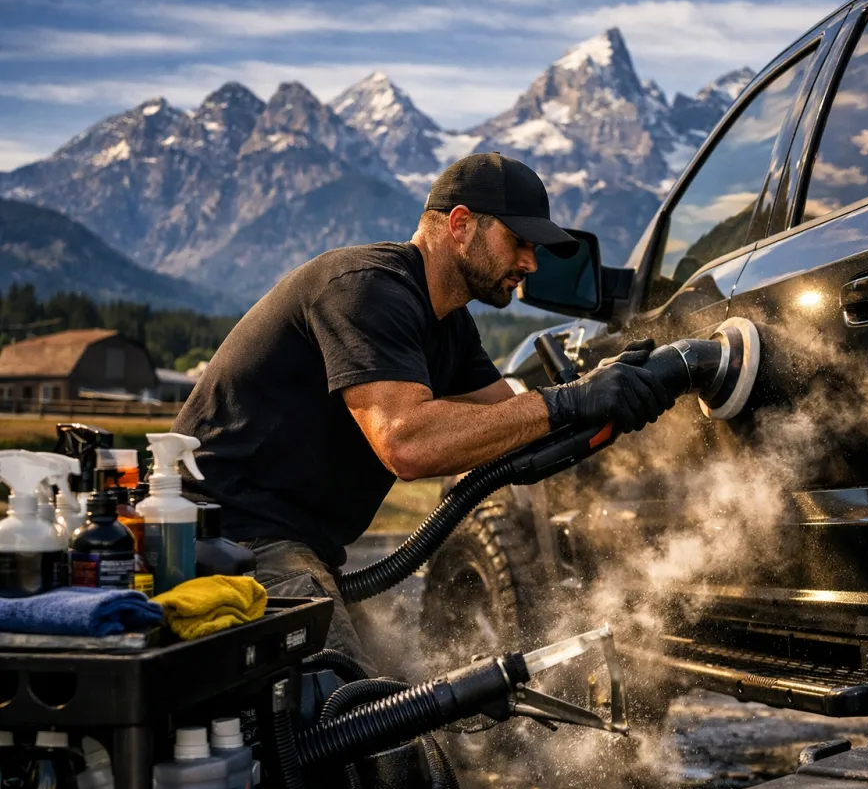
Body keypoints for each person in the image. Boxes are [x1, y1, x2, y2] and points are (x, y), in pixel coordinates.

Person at [173, 153, 672, 674]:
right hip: (230, 537)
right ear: (460, 225)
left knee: (407, 701)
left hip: (298, 547)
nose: (531, 264)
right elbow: (407, 443)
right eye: (520, 241)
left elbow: (516, 427)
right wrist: (566, 401)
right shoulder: (366, 288)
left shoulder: (449, 326)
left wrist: (607, 398)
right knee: (351, 715)